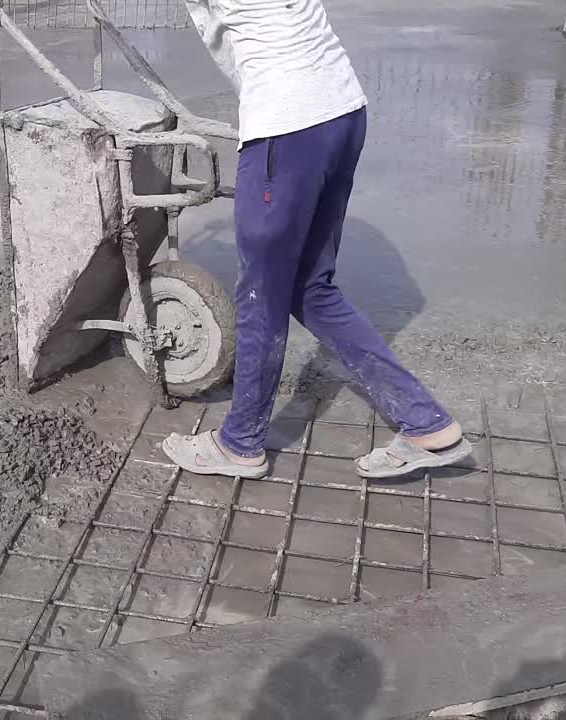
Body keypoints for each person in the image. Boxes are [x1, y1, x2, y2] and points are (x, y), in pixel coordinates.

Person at [161, 0, 473, 480]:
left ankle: (240, 443)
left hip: (288, 123)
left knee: (260, 293)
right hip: (342, 108)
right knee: (309, 286)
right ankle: (427, 425)